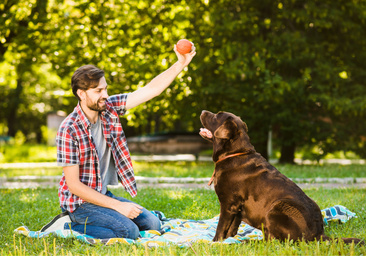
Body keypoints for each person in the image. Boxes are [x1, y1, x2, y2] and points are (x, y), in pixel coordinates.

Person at [41, 43, 196, 239]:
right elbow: (74, 185)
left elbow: (151, 90)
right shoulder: (69, 129)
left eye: (105, 89)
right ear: (81, 94)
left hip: (102, 195)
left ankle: (111, 216)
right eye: (98, 91)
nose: (105, 95)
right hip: (80, 203)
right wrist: (118, 206)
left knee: (152, 223)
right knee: (128, 231)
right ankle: (66, 227)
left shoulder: (108, 107)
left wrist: (180, 64)